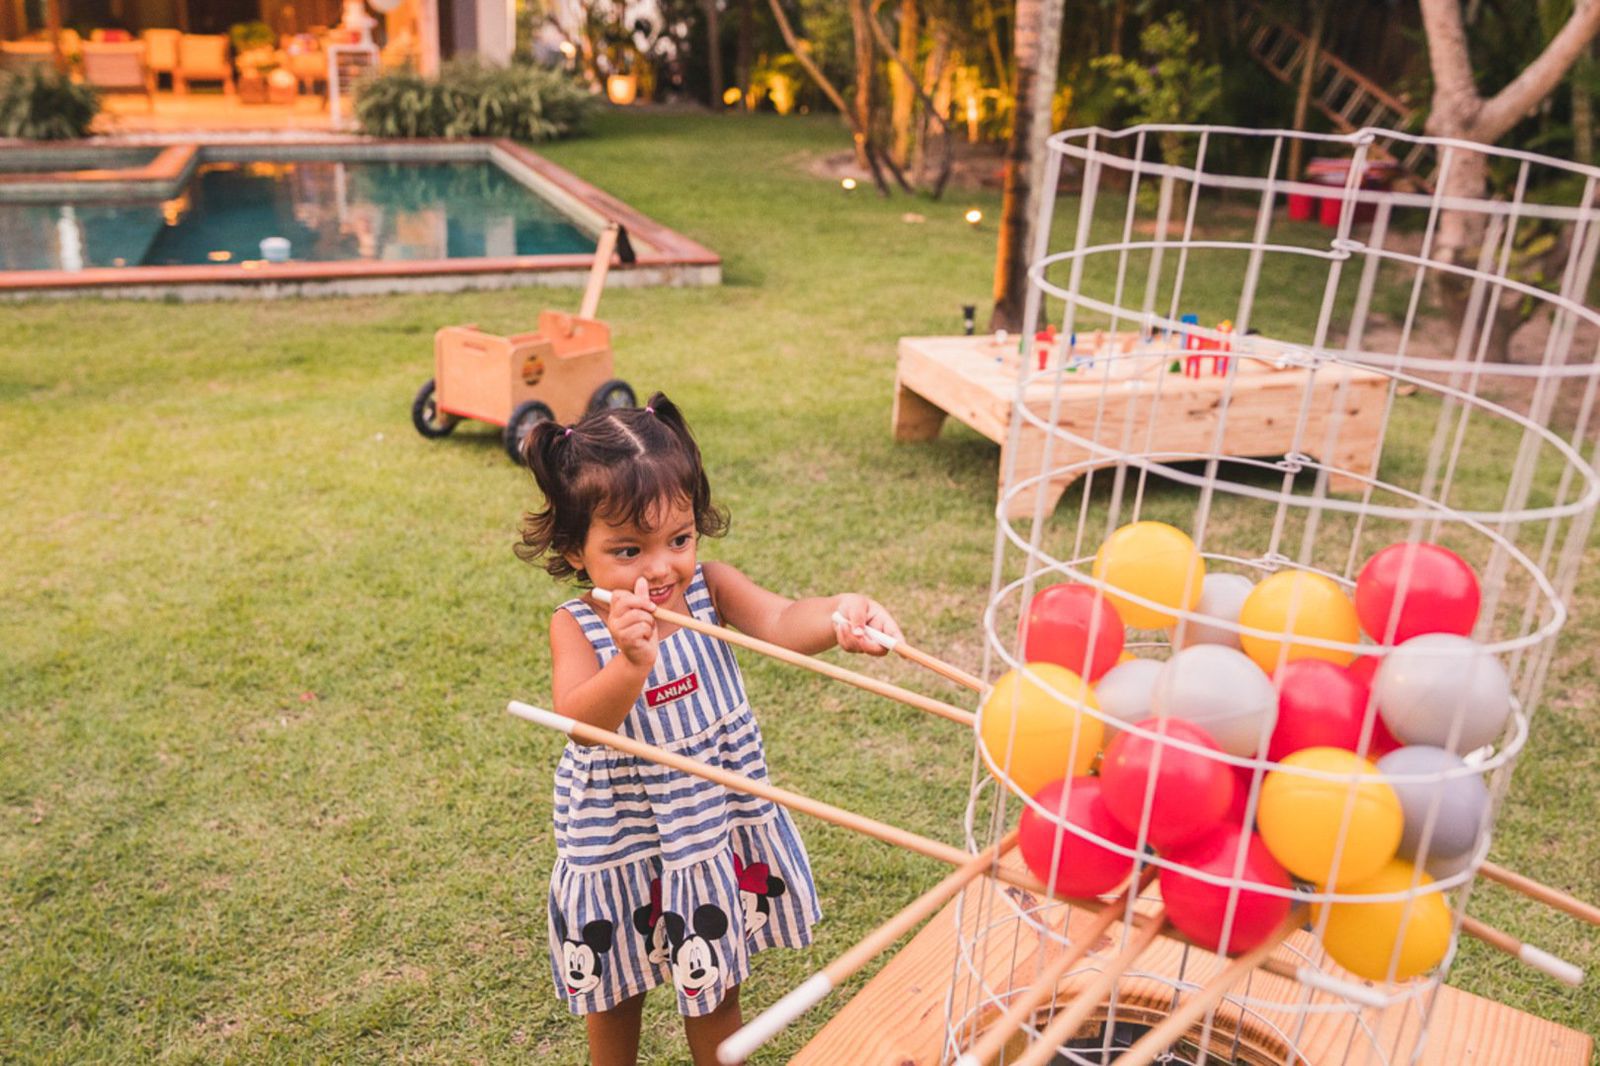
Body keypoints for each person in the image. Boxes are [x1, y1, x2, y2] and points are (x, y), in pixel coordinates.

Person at [516, 392, 903, 1066]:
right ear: (577, 551)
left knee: (713, 977)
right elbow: (580, 724)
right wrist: (630, 664)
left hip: (703, 824)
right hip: (619, 837)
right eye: (629, 548)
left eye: (680, 539)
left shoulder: (710, 590)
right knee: (615, 991)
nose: (662, 567)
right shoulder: (577, 624)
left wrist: (842, 614)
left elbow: (784, 622)